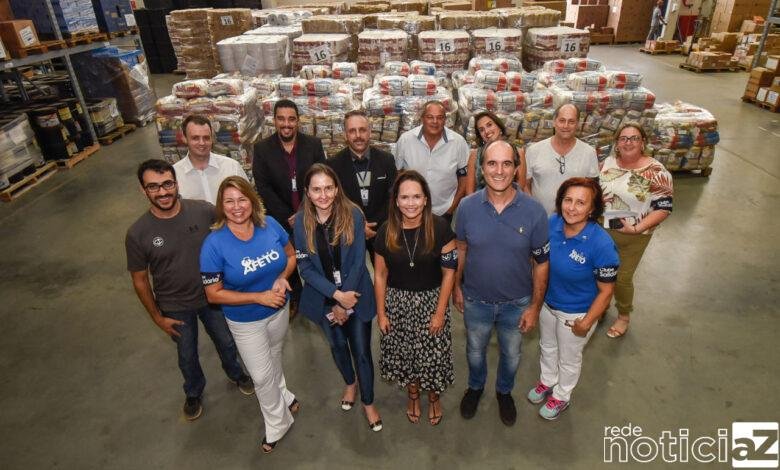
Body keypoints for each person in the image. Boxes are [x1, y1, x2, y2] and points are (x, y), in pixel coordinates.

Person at [125, 159, 252, 421]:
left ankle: (236, 372)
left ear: (176, 183)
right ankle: (193, 391)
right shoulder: (138, 233)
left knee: (227, 342)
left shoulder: (203, 212)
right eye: (154, 187)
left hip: (212, 296)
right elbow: (139, 280)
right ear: (143, 190)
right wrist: (157, 317)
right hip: (175, 305)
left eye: (167, 184)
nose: (163, 192)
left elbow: (233, 232)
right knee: (187, 354)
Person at [199, 176, 300, 453]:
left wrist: (281, 278)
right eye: (229, 201)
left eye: (242, 199)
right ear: (221, 205)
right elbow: (213, 294)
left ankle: (284, 393)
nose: (237, 206)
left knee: (274, 356)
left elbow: (291, 256)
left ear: (252, 200)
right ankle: (278, 422)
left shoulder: (269, 225)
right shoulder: (214, 244)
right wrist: (258, 296)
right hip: (246, 321)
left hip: (278, 311)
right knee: (260, 376)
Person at [453, 140, 549, 427]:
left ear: (517, 169)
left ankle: (504, 392)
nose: (499, 170)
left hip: (516, 304)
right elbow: (460, 248)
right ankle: (476, 386)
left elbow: (542, 263)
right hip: (475, 300)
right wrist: (457, 287)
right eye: (492, 163)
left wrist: (534, 306)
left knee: (511, 355)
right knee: (474, 350)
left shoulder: (535, 211)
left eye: (507, 163)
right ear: (482, 168)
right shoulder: (468, 207)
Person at [293, 164, 383, 432]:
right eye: (316, 189)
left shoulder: (353, 214)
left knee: (362, 352)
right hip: (323, 298)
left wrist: (346, 299)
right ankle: (350, 383)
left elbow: (358, 260)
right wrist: (335, 297)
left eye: (328, 188)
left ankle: (368, 402)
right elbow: (305, 267)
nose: (323, 195)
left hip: (355, 294)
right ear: (307, 193)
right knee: (338, 348)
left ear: (336, 188)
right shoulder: (300, 222)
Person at [527, 177, 619, 420]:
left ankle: (562, 395)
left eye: (581, 203)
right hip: (548, 303)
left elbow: (606, 291)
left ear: (592, 208)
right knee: (547, 346)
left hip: (576, 313)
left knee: (568, 358)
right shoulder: (552, 223)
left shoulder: (601, 244)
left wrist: (587, 322)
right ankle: (547, 380)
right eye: (568, 200)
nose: (572, 207)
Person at [374, 170, 457, 426]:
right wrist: (382, 313)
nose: (411, 203)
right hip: (398, 304)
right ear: (396, 201)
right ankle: (412, 395)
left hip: (432, 302)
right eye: (405, 197)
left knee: (433, 356)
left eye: (416, 197)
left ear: (425, 199)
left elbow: (449, 273)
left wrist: (440, 312)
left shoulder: (441, 228)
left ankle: (433, 397)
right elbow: (379, 275)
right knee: (406, 356)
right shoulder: (386, 231)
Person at [252, 99, 327, 315]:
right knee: (289, 256)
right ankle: (296, 298)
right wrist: (288, 217)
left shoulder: (313, 145)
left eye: (291, 119)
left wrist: (304, 212)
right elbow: (263, 187)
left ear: (298, 121)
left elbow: (321, 177)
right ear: (274, 121)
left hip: (312, 214)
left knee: (316, 255)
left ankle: (322, 294)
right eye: (281, 119)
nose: (287, 124)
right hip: (280, 218)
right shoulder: (262, 149)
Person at [600, 124, 673, 338]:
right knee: (600, 273)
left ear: (643, 142)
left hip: (634, 235)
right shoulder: (607, 163)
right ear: (617, 143)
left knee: (622, 278)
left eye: (634, 138)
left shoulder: (656, 171)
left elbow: (664, 208)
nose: (628, 142)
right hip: (602, 231)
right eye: (623, 138)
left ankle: (623, 315)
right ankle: (601, 305)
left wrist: (637, 228)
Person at [326, 110, 397, 262]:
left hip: (381, 230)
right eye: (352, 131)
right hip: (348, 231)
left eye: (362, 130)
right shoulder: (333, 165)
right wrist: (358, 226)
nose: (358, 135)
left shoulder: (387, 160)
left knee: (385, 274)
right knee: (351, 276)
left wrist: (374, 227)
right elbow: (334, 201)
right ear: (345, 135)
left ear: (370, 132)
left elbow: (392, 197)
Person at [395, 100, 469, 221]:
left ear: (445, 120)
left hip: (444, 211)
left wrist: (451, 209)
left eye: (440, 117)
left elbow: (464, 179)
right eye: (430, 117)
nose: (435, 122)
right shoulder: (405, 140)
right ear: (422, 118)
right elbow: (397, 174)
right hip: (411, 212)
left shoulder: (458, 142)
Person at [523, 103, 599, 215]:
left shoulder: (589, 153)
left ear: (578, 124)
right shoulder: (534, 150)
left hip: (574, 220)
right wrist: (533, 208)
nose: (566, 126)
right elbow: (525, 183)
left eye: (571, 121)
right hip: (540, 220)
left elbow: (592, 189)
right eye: (562, 120)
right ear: (554, 122)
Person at [173, 114, 249, 204]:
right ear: (184, 138)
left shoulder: (232, 167)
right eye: (195, 138)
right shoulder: (175, 174)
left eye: (206, 138)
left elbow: (249, 199)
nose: (202, 143)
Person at [465, 111, 526, 194]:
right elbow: (469, 191)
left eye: (489, 125)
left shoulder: (518, 152)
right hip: (480, 204)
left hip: (510, 203)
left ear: (499, 126)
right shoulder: (475, 155)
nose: (486, 131)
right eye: (481, 130)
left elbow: (520, 187)